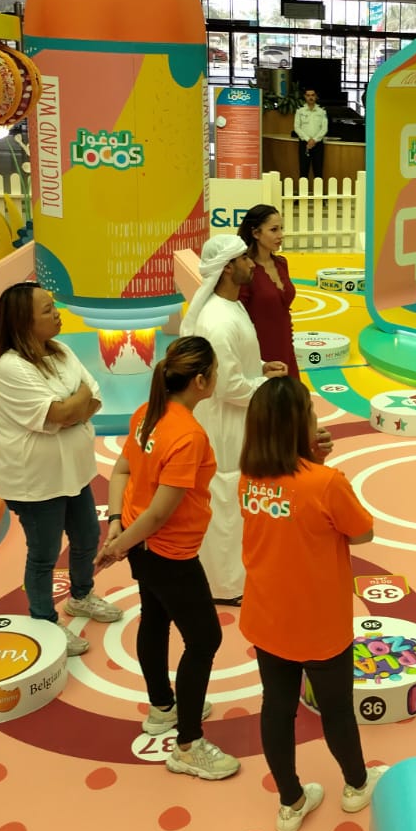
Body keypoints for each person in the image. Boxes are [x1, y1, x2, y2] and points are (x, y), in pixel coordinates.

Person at [238, 377, 387, 831]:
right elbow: (362, 533)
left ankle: (290, 801)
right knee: (337, 709)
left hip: (267, 616)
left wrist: (311, 461)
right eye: (310, 411)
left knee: (276, 707)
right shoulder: (327, 483)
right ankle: (357, 785)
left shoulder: (248, 478)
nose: (315, 417)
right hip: (320, 622)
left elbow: (290, 509)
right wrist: (319, 467)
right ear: (297, 424)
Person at [95, 336, 239, 781]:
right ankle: (189, 745)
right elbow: (160, 512)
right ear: (201, 381)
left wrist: (117, 526)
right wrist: (117, 545)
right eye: (216, 371)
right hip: (167, 551)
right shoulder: (188, 435)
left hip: (140, 542)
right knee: (205, 639)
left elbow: (121, 471)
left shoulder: (147, 413)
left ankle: (162, 707)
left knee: (155, 618)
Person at [0, 282, 122, 655]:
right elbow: (60, 413)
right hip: (36, 482)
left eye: (53, 305)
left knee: (87, 536)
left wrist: (74, 407)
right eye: (47, 309)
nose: (57, 313)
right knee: (44, 554)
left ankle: (81, 595)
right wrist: (74, 404)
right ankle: (45, 620)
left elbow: (93, 397)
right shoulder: (10, 368)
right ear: (23, 322)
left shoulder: (60, 351)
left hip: (73, 472)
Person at [179, 236, 290, 604]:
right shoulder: (217, 321)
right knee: (226, 498)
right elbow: (229, 387)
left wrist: (261, 367)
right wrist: (266, 383)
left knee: (235, 496)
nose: (251, 264)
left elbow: (236, 366)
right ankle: (226, 587)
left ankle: (237, 575)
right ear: (227, 267)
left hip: (238, 419)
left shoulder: (232, 307)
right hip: (225, 424)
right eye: (244, 258)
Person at [236, 203, 297, 380]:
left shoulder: (282, 264)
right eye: (274, 230)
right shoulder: (245, 270)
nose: (280, 235)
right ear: (256, 233)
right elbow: (238, 314)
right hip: (259, 350)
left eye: (281, 229)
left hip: (286, 346)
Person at [294, 88, 328, 183]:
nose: (310, 97)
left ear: (316, 97)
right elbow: (297, 127)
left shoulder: (322, 111)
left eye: (313, 95)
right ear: (305, 97)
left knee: (318, 171)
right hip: (304, 144)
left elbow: (324, 128)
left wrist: (314, 140)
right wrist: (308, 139)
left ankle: (319, 193)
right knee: (303, 171)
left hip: (318, 145)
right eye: (308, 95)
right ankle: (302, 192)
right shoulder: (300, 111)